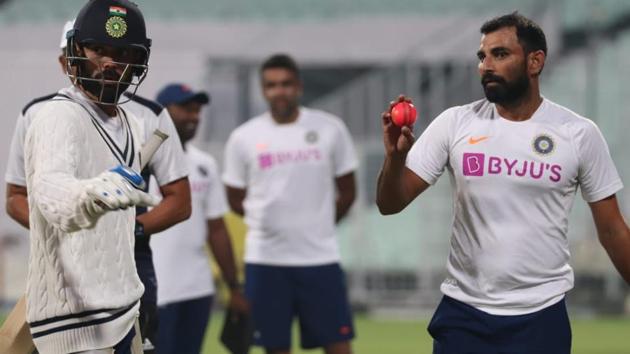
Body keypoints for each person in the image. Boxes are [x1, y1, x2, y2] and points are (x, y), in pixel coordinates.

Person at [376, 12, 630, 354]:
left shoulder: (578, 134)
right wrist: (394, 157)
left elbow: (613, 229)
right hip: (464, 314)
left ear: (535, 61)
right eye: (482, 56)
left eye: (500, 54)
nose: (486, 66)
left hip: (540, 316)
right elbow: (390, 204)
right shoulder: (455, 123)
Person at [5, 17, 191, 354]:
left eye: (119, 53)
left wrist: (129, 229)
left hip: (129, 264)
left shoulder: (146, 117)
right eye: (95, 50)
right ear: (69, 57)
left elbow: (180, 199)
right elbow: (19, 196)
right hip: (60, 267)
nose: (106, 63)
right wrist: (67, 230)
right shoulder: (44, 114)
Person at [223, 54, 358, 354]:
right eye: (271, 85)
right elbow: (234, 197)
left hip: (319, 258)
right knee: (275, 347)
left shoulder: (330, 128)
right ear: (263, 90)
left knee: (338, 345)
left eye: (285, 84)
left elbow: (348, 191)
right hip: (266, 261)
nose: (279, 91)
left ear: (298, 86)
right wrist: (265, 222)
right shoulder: (243, 138)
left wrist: (319, 224)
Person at [150, 83, 248, 354]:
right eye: (185, 109)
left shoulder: (205, 164)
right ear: (162, 113)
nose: (193, 116)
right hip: (155, 291)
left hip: (197, 289)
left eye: (197, 110)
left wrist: (233, 288)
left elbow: (217, 229)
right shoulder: (141, 162)